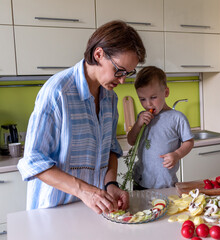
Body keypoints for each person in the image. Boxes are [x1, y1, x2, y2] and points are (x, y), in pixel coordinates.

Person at [17, 20, 146, 214]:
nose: (122, 80)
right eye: (119, 71)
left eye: (128, 73)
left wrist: (110, 184)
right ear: (98, 54)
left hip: (92, 209)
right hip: (53, 211)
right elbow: (33, 160)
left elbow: (110, 149)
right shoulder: (58, 92)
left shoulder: (110, 99)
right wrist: (85, 191)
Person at [127, 66, 194, 190]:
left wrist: (177, 154)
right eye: (142, 99)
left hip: (165, 183)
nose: (148, 104)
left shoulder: (177, 118)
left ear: (166, 93)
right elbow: (131, 141)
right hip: (140, 182)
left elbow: (189, 142)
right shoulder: (142, 117)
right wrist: (138, 124)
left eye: (153, 97)